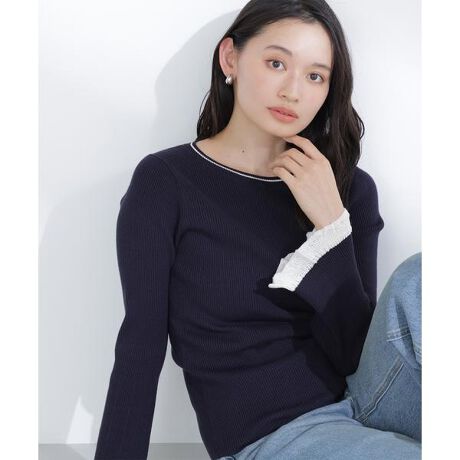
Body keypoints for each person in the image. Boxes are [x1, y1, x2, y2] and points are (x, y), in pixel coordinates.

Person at [94, 1, 421, 459]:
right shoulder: (167, 183)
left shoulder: (348, 187)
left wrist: (331, 225)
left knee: (422, 277)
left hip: (372, 403)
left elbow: (354, 354)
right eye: (276, 63)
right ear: (230, 58)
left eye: (315, 76)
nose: (293, 91)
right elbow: (140, 347)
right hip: (275, 434)